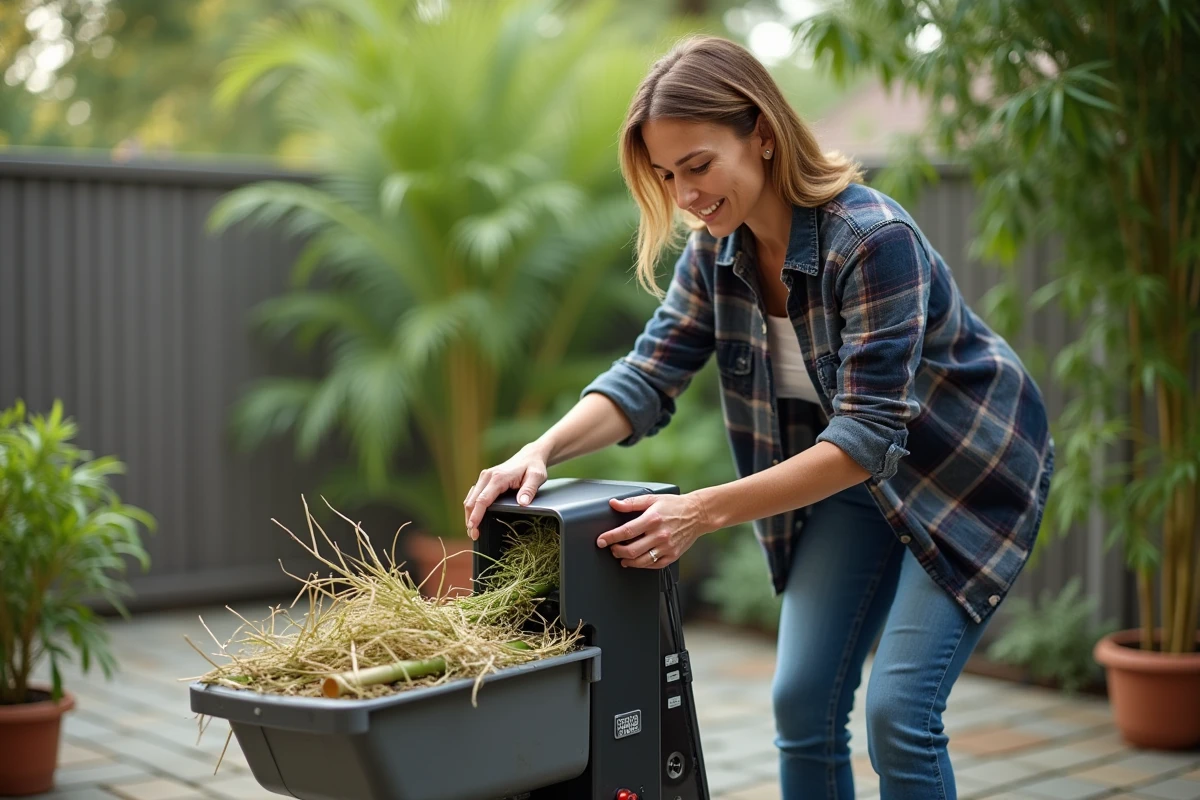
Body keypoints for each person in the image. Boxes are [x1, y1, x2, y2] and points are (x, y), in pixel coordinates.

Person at [463, 34, 1054, 800]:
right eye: (667, 174)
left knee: (900, 714)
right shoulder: (716, 254)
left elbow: (870, 434)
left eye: (699, 165)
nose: (685, 194)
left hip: (965, 470)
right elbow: (647, 376)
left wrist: (698, 513)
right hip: (845, 476)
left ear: (764, 136)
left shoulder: (873, 241)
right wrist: (538, 451)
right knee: (801, 704)